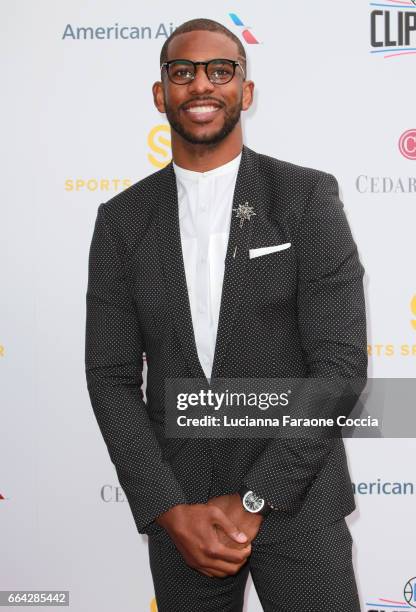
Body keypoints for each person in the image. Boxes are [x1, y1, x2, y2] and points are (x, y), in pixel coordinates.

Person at [85, 17, 367, 612]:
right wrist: (168, 508)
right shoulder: (123, 220)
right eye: (182, 72)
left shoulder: (304, 197)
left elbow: (340, 366)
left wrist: (258, 497)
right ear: (161, 94)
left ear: (246, 89)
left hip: (300, 499)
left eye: (221, 70)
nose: (202, 85)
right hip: (184, 513)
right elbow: (109, 378)